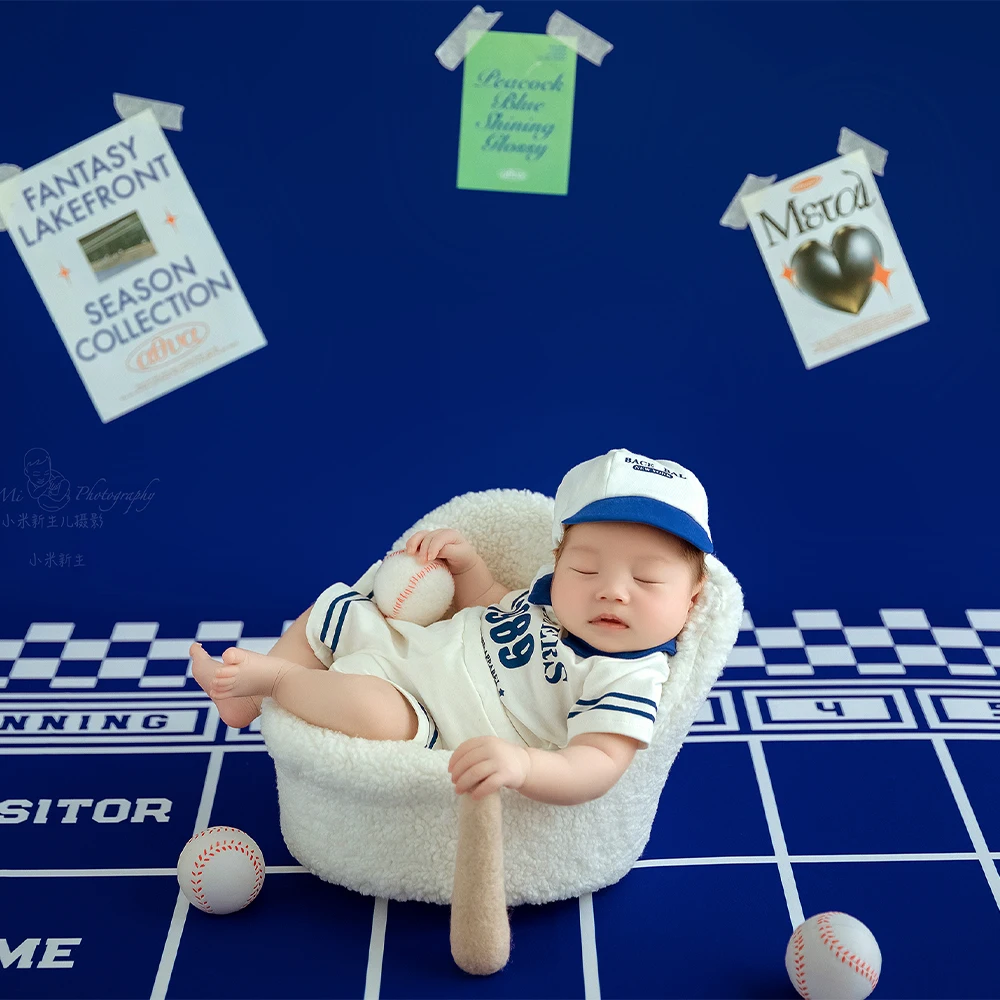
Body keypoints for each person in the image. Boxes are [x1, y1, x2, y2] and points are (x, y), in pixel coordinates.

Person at [190, 448, 713, 806]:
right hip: (408, 646)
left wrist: (525, 767)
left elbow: (597, 763)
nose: (612, 590)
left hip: (428, 716)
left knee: (374, 712)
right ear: (558, 565)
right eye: (585, 568)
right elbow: (488, 607)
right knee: (338, 610)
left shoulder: (627, 676)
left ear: (691, 602)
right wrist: (467, 570)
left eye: (646, 579)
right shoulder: (546, 600)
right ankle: (242, 701)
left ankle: (276, 682)